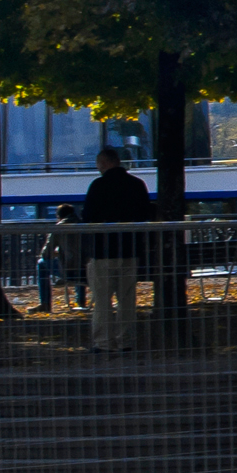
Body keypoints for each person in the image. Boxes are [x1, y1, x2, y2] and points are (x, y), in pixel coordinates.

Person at [81, 148, 155, 353]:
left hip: (103, 251)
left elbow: (88, 217)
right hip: (130, 249)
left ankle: (103, 342)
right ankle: (126, 341)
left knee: (102, 300)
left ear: (103, 163)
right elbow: (144, 213)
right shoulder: (137, 185)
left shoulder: (98, 185)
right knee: (127, 299)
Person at [35, 204, 78, 316]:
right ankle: (80, 300)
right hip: (89, 271)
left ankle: (45, 303)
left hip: (69, 270)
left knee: (41, 264)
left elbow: (46, 253)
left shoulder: (60, 227)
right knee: (81, 263)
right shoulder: (85, 225)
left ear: (59, 216)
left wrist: (57, 254)